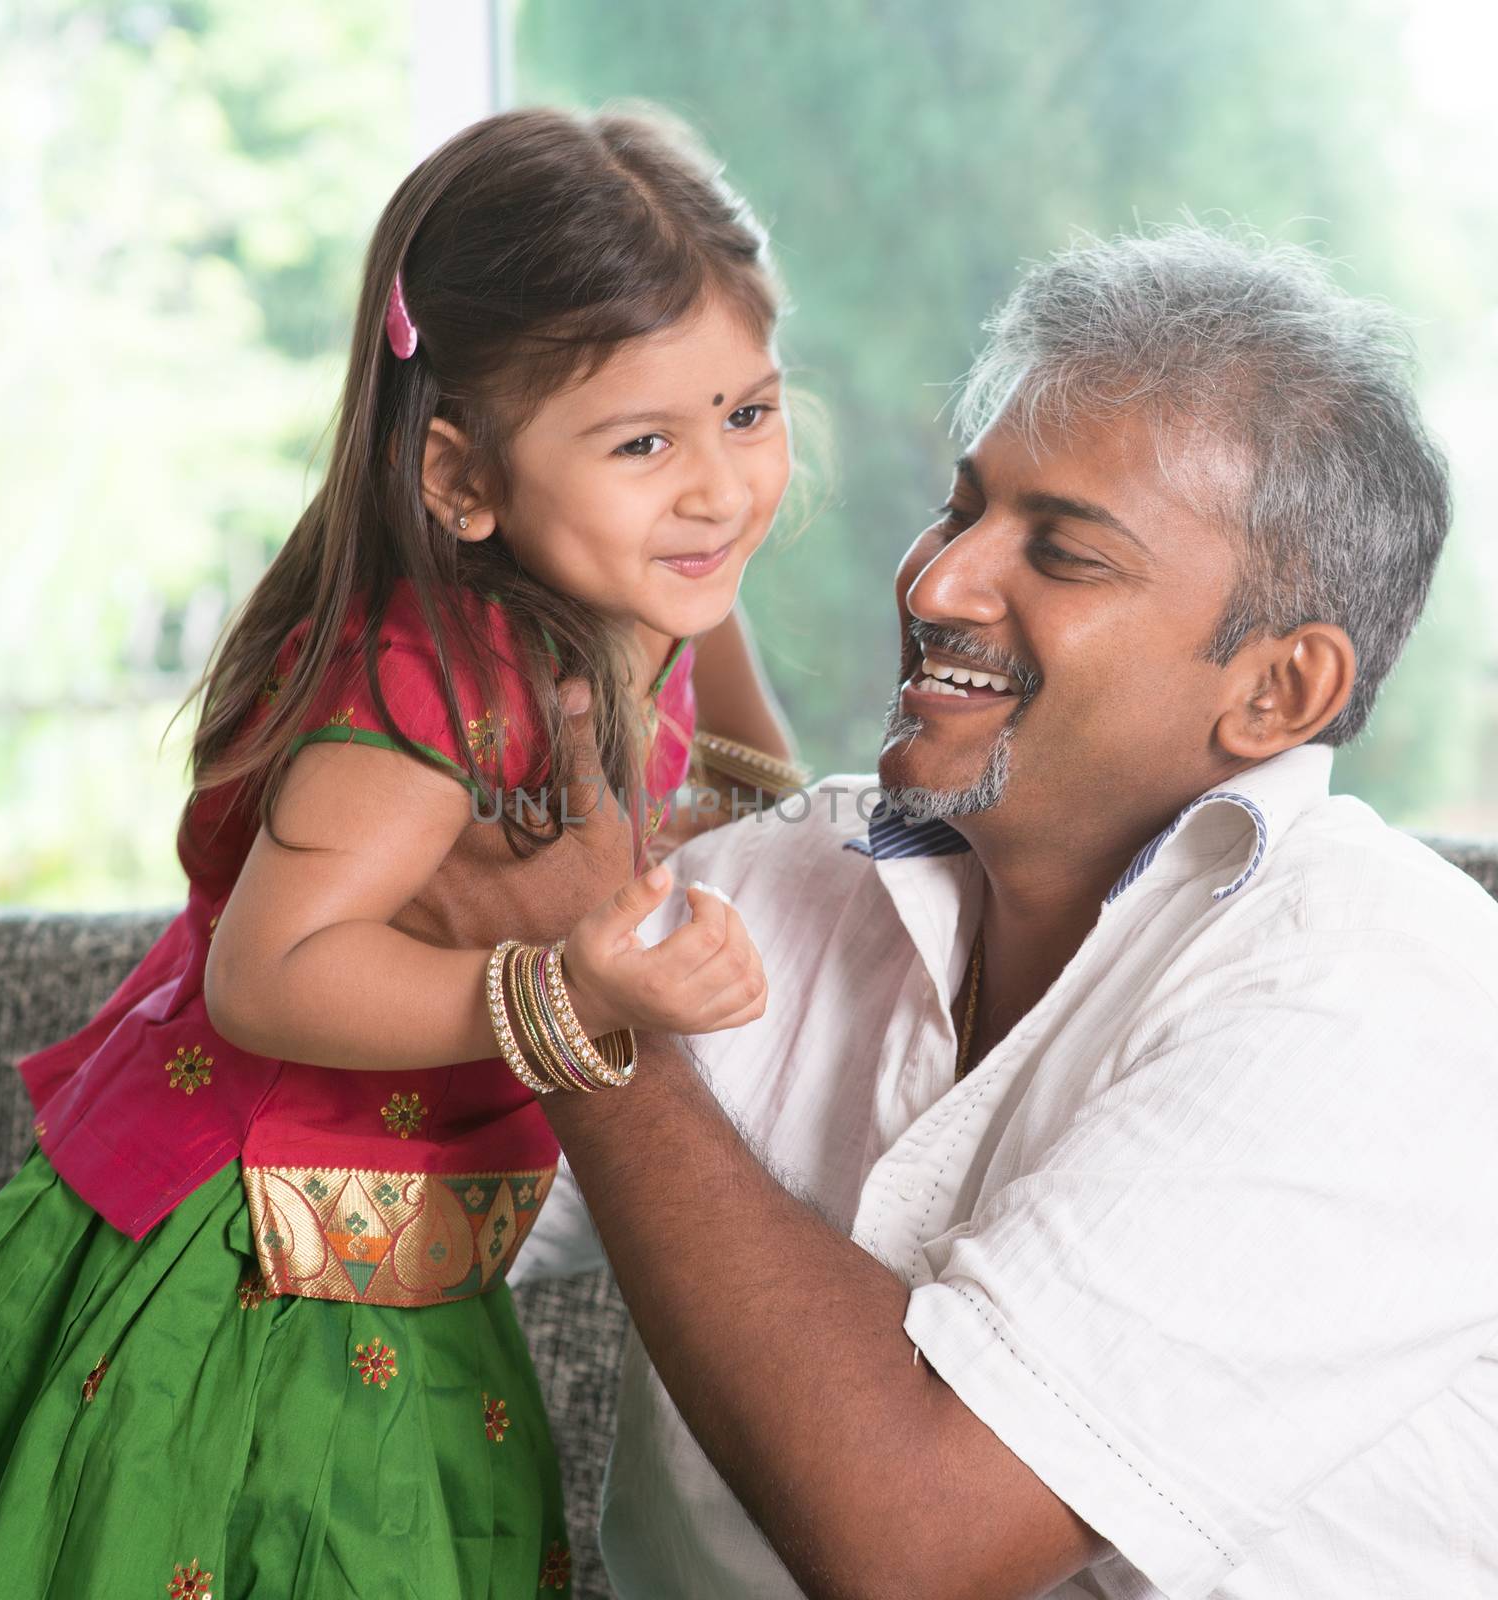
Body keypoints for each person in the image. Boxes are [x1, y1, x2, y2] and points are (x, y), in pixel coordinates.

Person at [512, 225, 1498, 1598]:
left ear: (1279, 693)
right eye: (961, 507)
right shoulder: (785, 875)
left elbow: (919, 1540)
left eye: (1066, 554)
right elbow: (391, 1189)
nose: (935, 583)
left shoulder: (1395, 995)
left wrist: (592, 1034)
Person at [0, 105, 794, 1599]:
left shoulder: (651, 579)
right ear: (462, 475)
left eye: (750, 413)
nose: (719, 487)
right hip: (250, 1277)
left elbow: (749, 784)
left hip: (398, 1256)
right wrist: (560, 993)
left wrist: (735, 786)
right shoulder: (436, 674)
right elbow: (273, 969)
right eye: (647, 438)